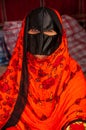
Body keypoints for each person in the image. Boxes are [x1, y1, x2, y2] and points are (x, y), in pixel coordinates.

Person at [0, 7, 86, 130]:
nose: (41, 38)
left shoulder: (72, 73)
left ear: (60, 36)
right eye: (34, 31)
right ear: (23, 35)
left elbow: (78, 112)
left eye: (49, 31)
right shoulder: (15, 72)